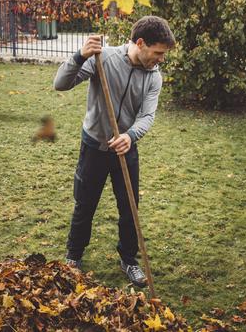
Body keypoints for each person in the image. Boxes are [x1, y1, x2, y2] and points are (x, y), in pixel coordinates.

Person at [53, 16, 176, 287]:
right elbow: (60, 84)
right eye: (158, 53)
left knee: (130, 208)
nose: (161, 59)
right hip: (94, 147)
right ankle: (73, 256)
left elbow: (147, 116)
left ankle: (129, 260)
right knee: (85, 204)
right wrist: (79, 56)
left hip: (125, 150)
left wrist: (130, 136)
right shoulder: (103, 59)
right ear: (140, 43)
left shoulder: (154, 77)